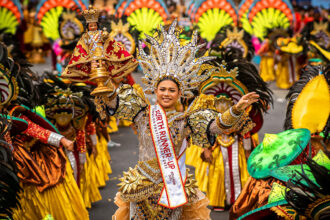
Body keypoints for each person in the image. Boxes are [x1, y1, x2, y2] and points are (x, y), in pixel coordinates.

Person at [96, 20, 259, 219]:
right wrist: (101, 78)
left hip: (173, 187)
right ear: (154, 90)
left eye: (171, 90)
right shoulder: (142, 113)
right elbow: (113, 102)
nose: (166, 94)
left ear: (180, 93)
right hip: (142, 185)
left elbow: (216, 126)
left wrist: (236, 108)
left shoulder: (187, 120)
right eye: (162, 89)